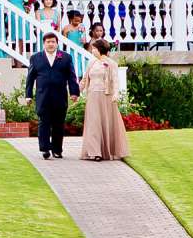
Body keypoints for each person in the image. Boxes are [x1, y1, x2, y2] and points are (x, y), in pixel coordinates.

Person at [25, 30, 79, 160]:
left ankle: (57, 150)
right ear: (44, 44)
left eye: (53, 42)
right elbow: (30, 78)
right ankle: (44, 149)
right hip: (42, 96)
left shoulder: (65, 57)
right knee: (44, 122)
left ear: (57, 44)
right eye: (48, 42)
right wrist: (28, 95)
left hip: (60, 96)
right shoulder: (36, 57)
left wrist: (74, 92)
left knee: (58, 124)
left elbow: (71, 76)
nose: (50, 44)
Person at [79, 37, 131, 161]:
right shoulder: (91, 63)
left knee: (105, 122)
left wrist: (116, 94)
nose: (92, 51)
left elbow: (115, 80)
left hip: (106, 96)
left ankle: (106, 151)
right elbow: (85, 79)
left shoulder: (111, 63)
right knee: (93, 123)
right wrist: (77, 91)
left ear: (100, 49)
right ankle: (94, 152)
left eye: (94, 49)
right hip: (92, 96)